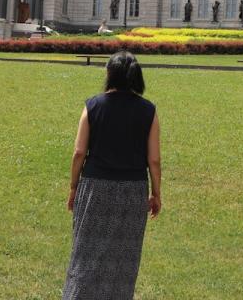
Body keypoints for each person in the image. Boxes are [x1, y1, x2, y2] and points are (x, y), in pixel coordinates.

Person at [63, 52, 162, 299]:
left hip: (95, 188)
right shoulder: (148, 110)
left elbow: (78, 153)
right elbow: (154, 159)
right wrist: (156, 193)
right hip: (132, 191)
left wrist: (74, 187)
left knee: (86, 252)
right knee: (123, 258)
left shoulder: (93, 106)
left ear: (110, 75)